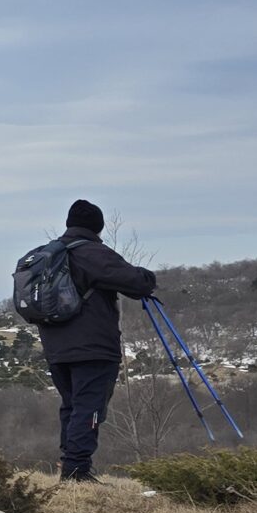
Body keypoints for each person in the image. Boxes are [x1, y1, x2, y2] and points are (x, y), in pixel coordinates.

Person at [34, 200, 158, 482]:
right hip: (93, 347)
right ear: (98, 227)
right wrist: (149, 277)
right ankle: (77, 470)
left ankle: (69, 464)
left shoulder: (47, 254)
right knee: (88, 408)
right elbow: (137, 283)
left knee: (72, 405)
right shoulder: (92, 252)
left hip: (56, 347)